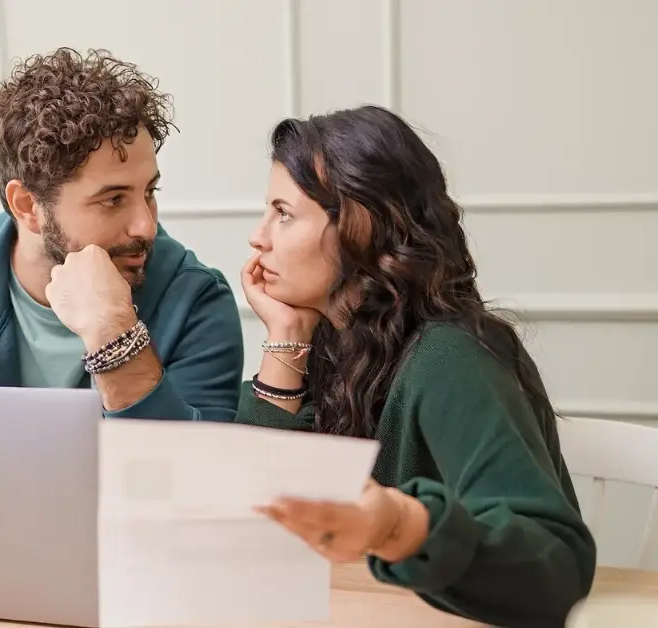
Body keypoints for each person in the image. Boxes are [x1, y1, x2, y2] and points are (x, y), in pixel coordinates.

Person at [240, 105, 597, 627]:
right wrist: (286, 337)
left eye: (283, 213)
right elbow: (255, 523)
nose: (259, 237)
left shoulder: (452, 357)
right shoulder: (332, 340)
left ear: (359, 224)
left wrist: (401, 526)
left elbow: (557, 568)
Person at [0, 48, 244, 421]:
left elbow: (190, 473)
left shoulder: (196, 299)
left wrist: (115, 336)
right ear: (27, 206)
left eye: (149, 192)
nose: (146, 225)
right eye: (113, 200)